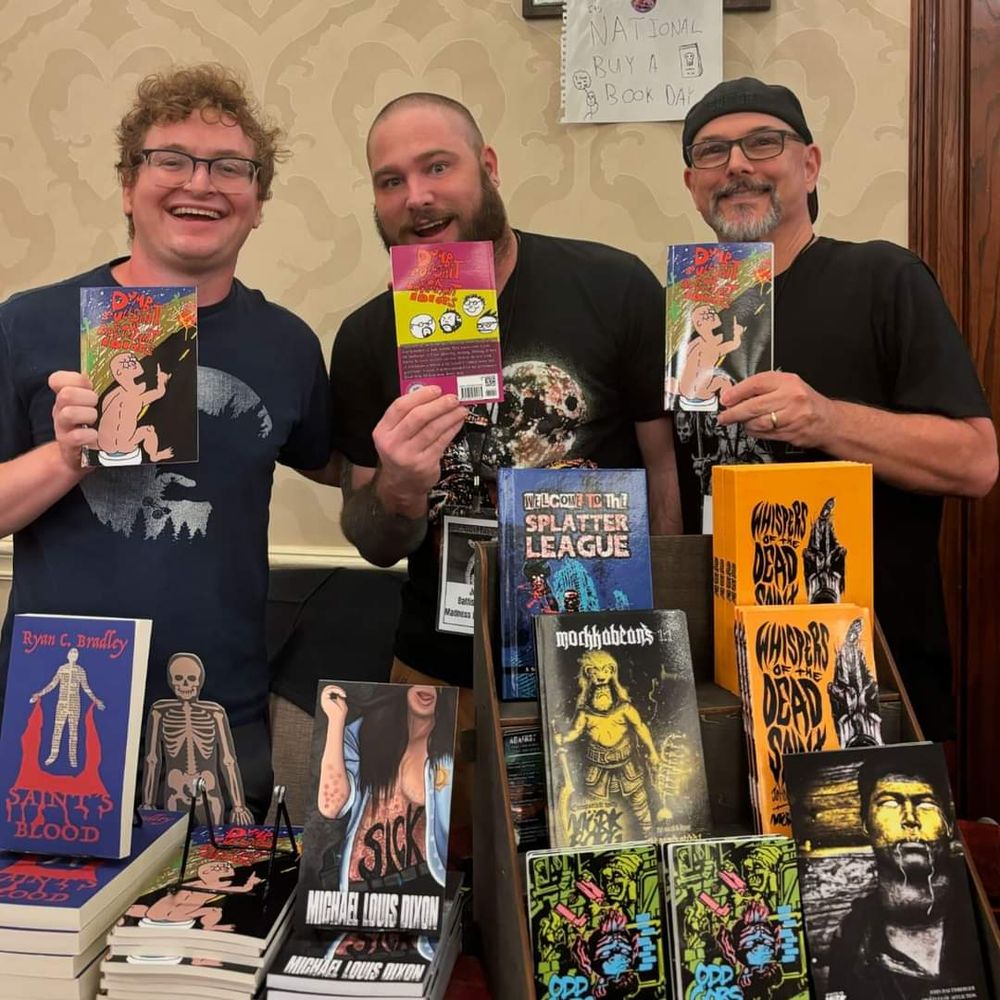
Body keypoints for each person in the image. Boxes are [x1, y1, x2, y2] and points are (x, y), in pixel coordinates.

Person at [328, 95, 680, 839]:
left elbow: (663, 470)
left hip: (599, 660)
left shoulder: (612, 287)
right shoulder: (366, 337)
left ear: (487, 168)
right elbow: (373, 539)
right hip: (436, 668)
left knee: (605, 879)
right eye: (390, 180)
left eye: (436, 167)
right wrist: (398, 483)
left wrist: (666, 635)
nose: (416, 196)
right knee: (428, 889)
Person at [0, 63, 333, 820]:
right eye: (171, 159)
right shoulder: (27, 323)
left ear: (257, 204)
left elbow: (345, 470)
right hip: (57, 707)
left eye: (229, 168)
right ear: (128, 186)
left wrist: (411, 452)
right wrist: (63, 457)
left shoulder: (286, 345)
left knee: (209, 929)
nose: (200, 183)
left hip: (222, 715)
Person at [674, 77, 998, 739]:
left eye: (763, 143)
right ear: (691, 183)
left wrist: (827, 419)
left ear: (809, 164)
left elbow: (976, 462)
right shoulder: (689, 310)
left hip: (870, 678)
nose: (737, 165)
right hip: (726, 673)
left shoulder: (884, 277)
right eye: (712, 152)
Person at [825, 755, 988, 998]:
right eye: (890, 803)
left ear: (949, 825)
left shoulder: (978, 917)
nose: (910, 819)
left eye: (926, 804)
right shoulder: (852, 944)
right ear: (865, 823)